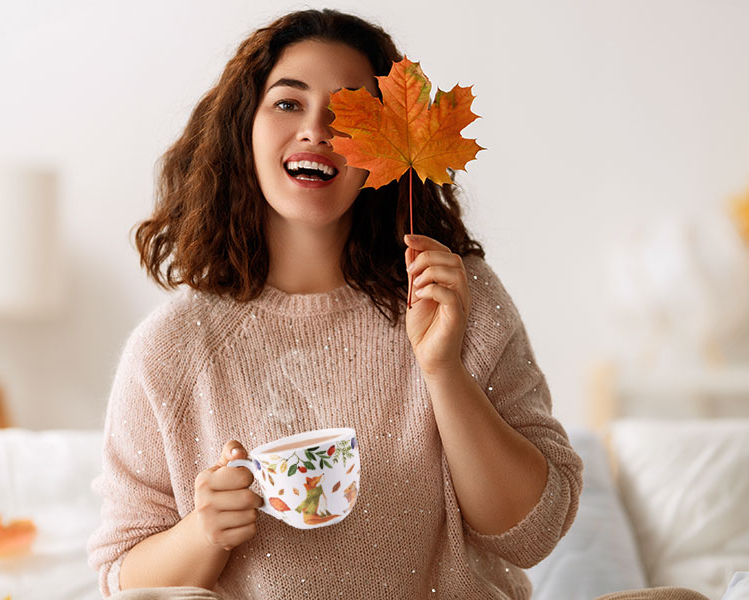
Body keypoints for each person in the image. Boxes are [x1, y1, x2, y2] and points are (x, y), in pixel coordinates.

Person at [87, 8, 582, 600]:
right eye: (288, 103)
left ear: (388, 144)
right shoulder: (171, 349)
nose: (316, 130)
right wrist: (204, 533)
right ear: (243, 127)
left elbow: (532, 534)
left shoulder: (454, 295)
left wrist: (443, 370)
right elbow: (120, 578)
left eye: (349, 111)